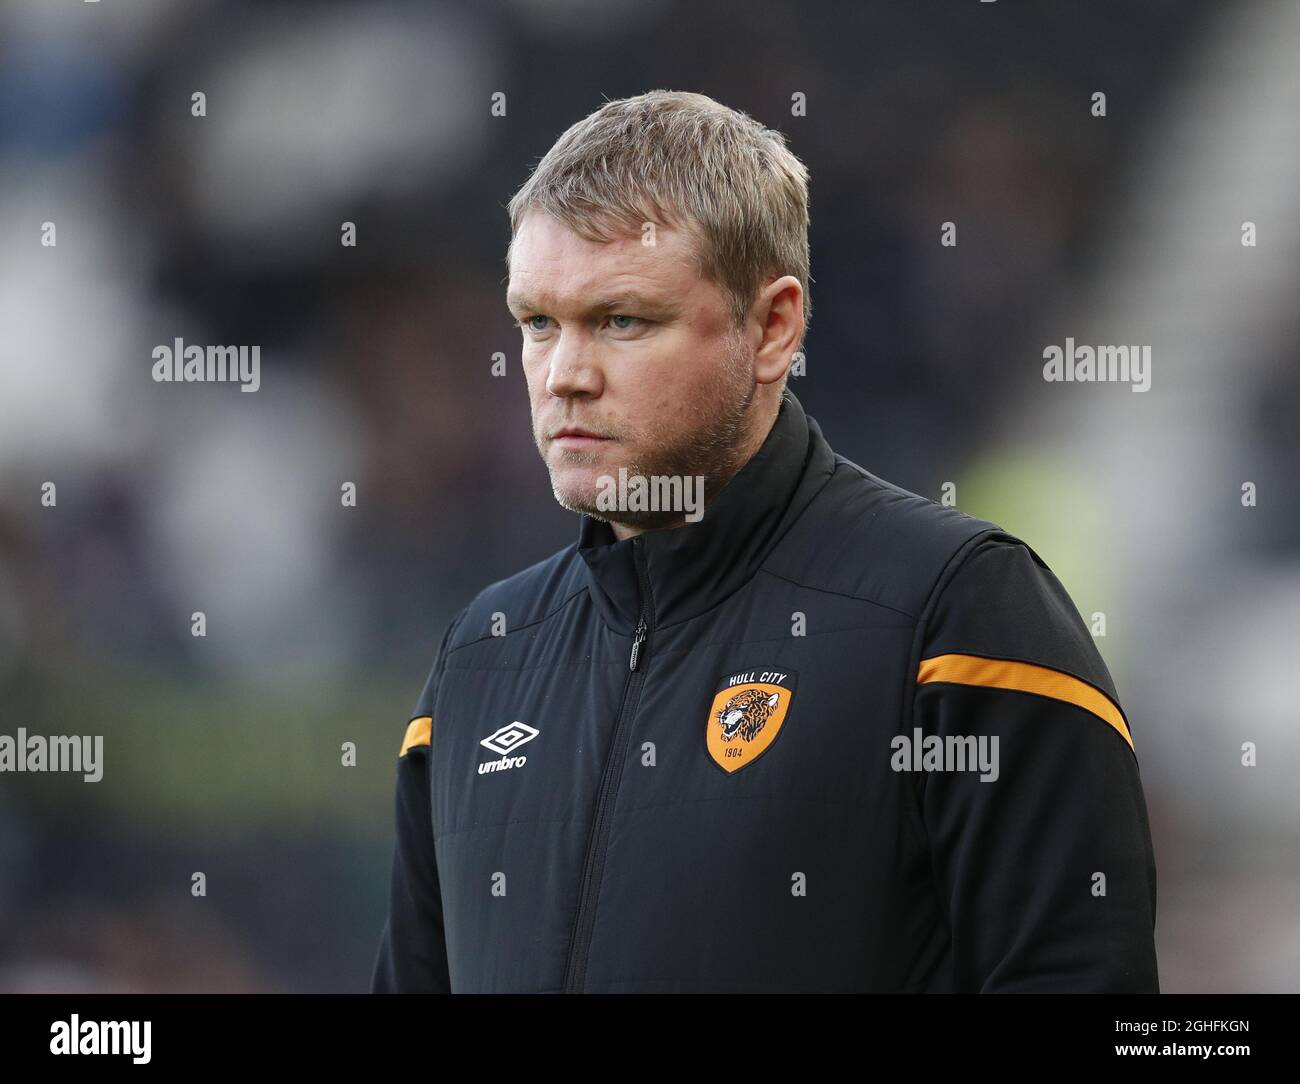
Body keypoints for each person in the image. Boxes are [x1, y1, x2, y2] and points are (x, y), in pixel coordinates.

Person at [371, 90, 1159, 994]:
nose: (565, 376)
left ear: (773, 326)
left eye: (623, 321)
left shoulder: (957, 616)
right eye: (538, 323)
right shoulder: (482, 659)